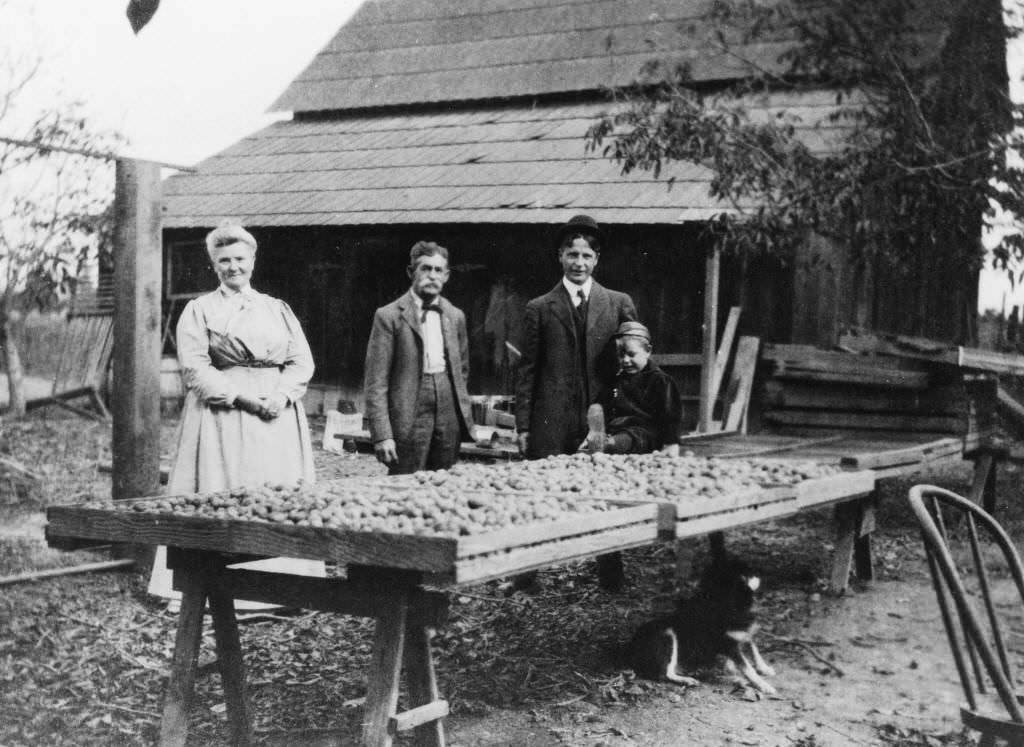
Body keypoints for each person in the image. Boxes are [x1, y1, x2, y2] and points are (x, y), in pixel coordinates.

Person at [148, 220, 323, 607]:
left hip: (276, 416)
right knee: (223, 491)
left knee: (276, 492)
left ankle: (281, 589)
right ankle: (216, 590)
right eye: (224, 260)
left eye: (240, 259)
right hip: (222, 416)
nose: (233, 267)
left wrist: (281, 396)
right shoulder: (199, 310)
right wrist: (241, 399)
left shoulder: (277, 309)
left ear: (253, 261)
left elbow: (302, 361)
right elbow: (195, 369)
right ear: (214, 265)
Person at [514, 214, 637, 591]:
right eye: (572, 255)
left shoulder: (617, 304)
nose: (579, 263)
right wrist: (523, 425)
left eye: (586, 256)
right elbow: (527, 370)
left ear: (597, 259)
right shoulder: (540, 307)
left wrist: (627, 416)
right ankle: (526, 575)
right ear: (560, 257)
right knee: (540, 495)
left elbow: (634, 365)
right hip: (550, 418)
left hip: (601, 418)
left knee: (604, 492)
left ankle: (611, 574)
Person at [364, 241, 473, 475]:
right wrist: (382, 435)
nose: (432, 276)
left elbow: (462, 370)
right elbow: (376, 382)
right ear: (411, 272)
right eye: (425, 268)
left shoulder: (455, 316)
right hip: (407, 411)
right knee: (405, 480)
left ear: (446, 276)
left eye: (438, 270)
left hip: (447, 410)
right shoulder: (388, 316)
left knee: (444, 478)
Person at [581, 321, 683, 457]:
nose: (625, 360)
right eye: (621, 355)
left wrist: (671, 443)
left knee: (628, 438)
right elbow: (602, 406)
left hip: (644, 432)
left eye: (631, 354)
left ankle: (609, 445)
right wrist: (594, 430)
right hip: (616, 430)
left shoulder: (660, 380)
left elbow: (671, 414)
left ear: (648, 351)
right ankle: (602, 443)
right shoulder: (616, 380)